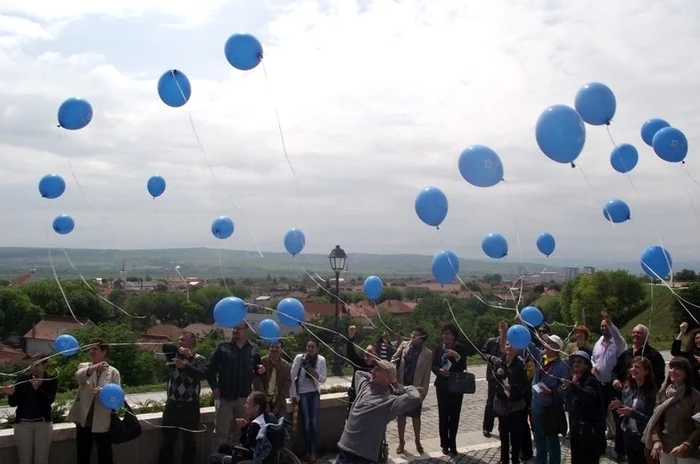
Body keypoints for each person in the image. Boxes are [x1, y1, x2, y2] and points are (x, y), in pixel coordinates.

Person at [336, 360, 422, 464]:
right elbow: (359, 373)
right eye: (374, 368)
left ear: (388, 377)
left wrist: (400, 386)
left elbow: (415, 398)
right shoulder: (365, 387)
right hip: (341, 453)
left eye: (378, 370)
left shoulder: (389, 402)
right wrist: (375, 377)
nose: (372, 371)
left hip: (360, 459)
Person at [207, 322, 264, 452]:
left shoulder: (253, 348)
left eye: (238, 328)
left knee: (241, 433)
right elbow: (210, 369)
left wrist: (260, 370)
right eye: (233, 328)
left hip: (244, 399)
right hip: (225, 398)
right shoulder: (223, 347)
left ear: (246, 330)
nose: (235, 330)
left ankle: (236, 459)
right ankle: (217, 459)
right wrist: (214, 387)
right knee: (221, 433)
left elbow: (258, 369)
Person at [67, 338, 121, 464]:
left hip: (102, 420)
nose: (91, 351)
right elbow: (79, 377)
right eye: (90, 349)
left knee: (104, 454)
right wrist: (94, 368)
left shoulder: (113, 372)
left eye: (95, 349)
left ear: (104, 352)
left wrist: (104, 392)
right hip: (84, 420)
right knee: (83, 453)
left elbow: (117, 398)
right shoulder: (84, 367)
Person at [158, 331, 208, 464]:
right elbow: (166, 346)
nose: (180, 342)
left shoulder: (199, 359)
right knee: (168, 441)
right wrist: (180, 349)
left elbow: (201, 375)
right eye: (179, 340)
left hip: (190, 407)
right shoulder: (173, 355)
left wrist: (185, 366)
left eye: (183, 340)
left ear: (192, 343)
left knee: (189, 442)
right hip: (172, 406)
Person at [643, 356, 700, 463]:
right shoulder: (663, 392)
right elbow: (655, 419)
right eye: (671, 368)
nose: (672, 371)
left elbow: (699, 427)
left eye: (677, 368)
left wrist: (686, 444)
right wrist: (656, 440)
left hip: (687, 451)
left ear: (686, 373)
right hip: (665, 448)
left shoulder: (695, 396)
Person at [3, 357, 57, 464]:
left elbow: (49, 401)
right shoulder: (23, 379)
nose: (34, 368)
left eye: (37, 365)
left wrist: (38, 389)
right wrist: (11, 394)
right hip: (24, 424)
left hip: (43, 424)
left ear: (45, 365)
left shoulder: (51, 380)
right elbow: (13, 403)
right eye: (32, 365)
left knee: (41, 460)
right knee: (24, 460)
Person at [529, 334, 570, 464]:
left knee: (551, 440)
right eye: (546, 342)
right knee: (539, 438)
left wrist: (551, 392)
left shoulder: (562, 366)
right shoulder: (541, 356)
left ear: (557, 348)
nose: (546, 345)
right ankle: (540, 461)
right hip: (536, 404)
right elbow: (529, 345)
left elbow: (565, 388)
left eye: (550, 343)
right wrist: (521, 323)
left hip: (550, 408)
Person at [392, 327, 432, 454]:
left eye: (415, 336)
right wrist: (391, 368)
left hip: (416, 388)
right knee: (401, 415)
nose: (412, 337)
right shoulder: (404, 346)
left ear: (422, 338)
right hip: (402, 386)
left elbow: (426, 375)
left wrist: (423, 392)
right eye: (412, 334)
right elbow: (394, 358)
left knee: (416, 416)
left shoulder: (427, 353)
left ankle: (417, 440)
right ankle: (401, 442)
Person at [610, 357, 657, 464]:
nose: (633, 369)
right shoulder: (627, 389)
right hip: (628, 435)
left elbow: (651, 420)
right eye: (631, 367)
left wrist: (632, 413)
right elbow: (625, 411)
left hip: (643, 438)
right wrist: (619, 406)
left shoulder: (652, 393)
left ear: (646, 371)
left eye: (637, 367)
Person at [562, 351, 606, 464]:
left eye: (579, 361)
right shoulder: (576, 378)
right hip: (577, 426)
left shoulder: (590, 379)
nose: (576, 364)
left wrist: (573, 386)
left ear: (587, 365)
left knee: (588, 458)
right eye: (574, 361)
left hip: (589, 429)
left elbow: (588, 396)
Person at [208, 391, 277, 464]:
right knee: (224, 446)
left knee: (213, 458)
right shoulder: (268, 417)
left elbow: (245, 445)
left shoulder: (255, 425)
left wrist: (245, 429)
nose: (245, 405)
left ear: (257, 407)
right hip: (263, 454)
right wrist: (246, 426)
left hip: (250, 459)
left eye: (248, 403)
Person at [590, 311, 627, 447]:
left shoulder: (618, 342)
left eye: (606, 326)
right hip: (600, 385)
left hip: (614, 386)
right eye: (602, 326)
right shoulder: (598, 342)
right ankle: (601, 445)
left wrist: (610, 323)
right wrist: (594, 366)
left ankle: (620, 450)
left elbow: (616, 334)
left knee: (618, 418)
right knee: (600, 417)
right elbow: (593, 358)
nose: (603, 328)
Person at [431, 323, 467, 456]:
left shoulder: (460, 348)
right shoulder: (439, 348)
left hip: (456, 385)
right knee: (443, 416)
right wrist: (438, 371)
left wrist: (456, 356)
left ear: (454, 336)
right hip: (442, 386)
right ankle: (444, 444)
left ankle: (453, 444)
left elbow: (463, 365)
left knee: (455, 416)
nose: (445, 336)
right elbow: (433, 365)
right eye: (444, 333)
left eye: (448, 334)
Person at [489, 342, 528, 464]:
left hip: (516, 404)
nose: (509, 347)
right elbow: (492, 380)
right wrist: (497, 375)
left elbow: (524, 384)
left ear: (517, 349)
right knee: (503, 433)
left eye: (512, 345)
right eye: (506, 344)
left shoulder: (521, 364)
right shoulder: (498, 362)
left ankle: (515, 458)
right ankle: (504, 459)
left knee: (516, 434)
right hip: (502, 403)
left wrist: (512, 388)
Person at [290, 339, 327, 464]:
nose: (310, 349)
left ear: (317, 348)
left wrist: (315, 374)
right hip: (303, 394)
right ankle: (307, 451)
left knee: (314, 424)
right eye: (308, 346)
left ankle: (313, 453)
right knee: (306, 424)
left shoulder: (321, 360)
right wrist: (294, 394)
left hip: (314, 393)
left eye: (313, 347)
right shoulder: (300, 358)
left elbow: (323, 379)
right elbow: (292, 375)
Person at [481, 320, 509, 437]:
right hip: (492, 377)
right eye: (500, 328)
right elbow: (482, 353)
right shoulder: (491, 341)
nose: (502, 330)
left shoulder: (510, 343)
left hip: (505, 378)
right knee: (490, 402)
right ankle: (487, 427)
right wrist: (490, 357)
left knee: (504, 403)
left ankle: (502, 427)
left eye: (505, 328)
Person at [253, 341, 292, 417]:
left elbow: (286, 387)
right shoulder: (261, 362)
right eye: (272, 347)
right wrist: (265, 403)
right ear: (269, 348)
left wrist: (277, 405)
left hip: (278, 401)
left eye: (277, 347)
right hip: (262, 400)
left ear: (281, 349)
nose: (274, 349)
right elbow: (257, 382)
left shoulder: (286, 366)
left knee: (282, 423)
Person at [345, 325, 379, 409]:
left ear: (376, 355)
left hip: (370, 404)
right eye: (366, 351)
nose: (367, 353)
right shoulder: (359, 363)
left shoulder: (379, 369)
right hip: (356, 402)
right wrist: (351, 337)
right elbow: (350, 353)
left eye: (370, 351)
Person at [672, 322, 700, 388]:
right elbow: (675, 352)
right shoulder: (690, 355)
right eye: (696, 338)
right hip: (694, 391)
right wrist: (682, 332)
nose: (699, 340)